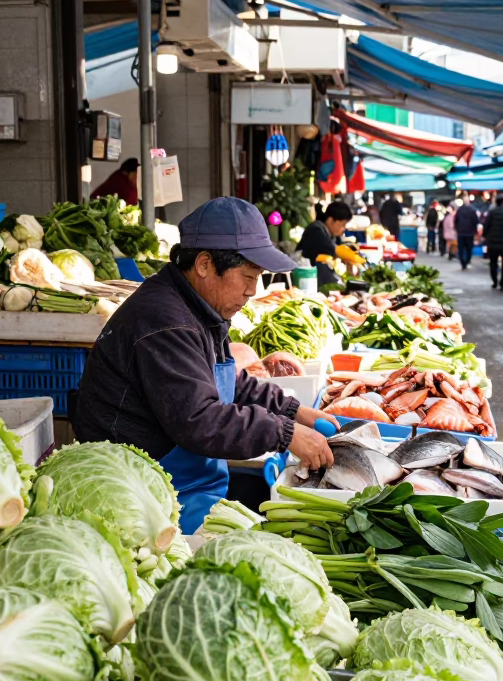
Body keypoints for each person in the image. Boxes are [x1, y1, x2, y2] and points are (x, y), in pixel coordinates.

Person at [74, 198, 339, 534]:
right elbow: (199, 420)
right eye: (246, 276)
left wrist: (292, 410)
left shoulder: (198, 307)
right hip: (147, 501)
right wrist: (283, 433)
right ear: (203, 264)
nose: (251, 291)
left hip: (188, 486)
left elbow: (229, 381)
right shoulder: (165, 322)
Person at [297, 200, 353, 287]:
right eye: (342, 225)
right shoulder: (315, 230)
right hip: (304, 277)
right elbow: (330, 248)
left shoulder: (331, 234)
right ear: (330, 220)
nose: (343, 229)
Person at [453, 193, 480, 270]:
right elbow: (476, 221)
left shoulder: (459, 210)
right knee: (469, 249)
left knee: (461, 249)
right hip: (470, 233)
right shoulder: (472, 210)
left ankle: (463, 262)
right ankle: (467, 261)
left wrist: (457, 229)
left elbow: (455, 221)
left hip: (461, 233)